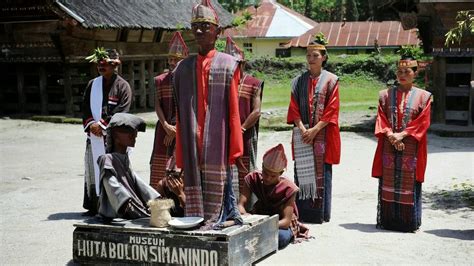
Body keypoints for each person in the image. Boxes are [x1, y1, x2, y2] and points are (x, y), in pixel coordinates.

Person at [173, 0, 244, 228]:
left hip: (217, 138)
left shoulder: (227, 64)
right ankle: (196, 217)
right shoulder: (183, 68)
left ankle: (223, 218)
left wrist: (235, 144)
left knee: (220, 183)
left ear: (218, 31)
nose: (200, 30)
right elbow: (180, 112)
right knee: (194, 177)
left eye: (206, 25)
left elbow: (233, 110)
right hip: (193, 136)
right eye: (196, 26)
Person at [371, 56, 432, 232]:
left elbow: (423, 121)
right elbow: (381, 117)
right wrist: (391, 135)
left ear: (415, 73)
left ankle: (408, 221)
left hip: (412, 146)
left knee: (409, 181)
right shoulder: (385, 95)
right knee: (388, 181)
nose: (402, 75)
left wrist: (403, 135)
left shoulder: (424, 96)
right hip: (389, 143)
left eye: (407, 72)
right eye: (399, 71)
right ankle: (389, 220)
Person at [287, 34, 340, 223]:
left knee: (321, 171)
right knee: (301, 171)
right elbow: (293, 109)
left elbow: (332, 109)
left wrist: (315, 130)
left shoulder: (332, 81)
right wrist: (302, 129)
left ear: (324, 57)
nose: (311, 59)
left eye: (315, 55)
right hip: (303, 133)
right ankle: (304, 212)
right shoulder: (298, 81)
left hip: (322, 134)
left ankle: (320, 213)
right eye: (309, 55)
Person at [82, 48, 132, 216]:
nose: (101, 67)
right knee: (93, 170)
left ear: (114, 66)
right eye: (99, 64)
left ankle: (115, 207)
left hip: (113, 138)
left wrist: (102, 126)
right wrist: (91, 125)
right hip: (94, 135)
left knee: (114, 172)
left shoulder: (123, 87)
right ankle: (95, 205)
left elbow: (121, 112)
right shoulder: (92, 84)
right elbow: (85, 108)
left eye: (106, 64)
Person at [238, 144, 308, 249]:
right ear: (262, 167)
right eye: (265, 173)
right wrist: (245, 216)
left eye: (273, 176)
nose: (268, 178)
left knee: (281, 238)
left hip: (278, 224)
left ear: (281, 173)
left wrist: (263, 225)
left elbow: (285, 222)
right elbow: (241, 205)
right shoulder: (252, 178)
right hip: (258, 217)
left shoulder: (289, 188)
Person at [98, 113, 160, 220]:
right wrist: (127, 203)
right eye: (128, 132)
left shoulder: (125, 158)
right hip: (120, 210)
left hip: (134, 204)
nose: (134, 135)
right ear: (115, 135)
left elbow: (137, 182)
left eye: (134, 132)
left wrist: (155, 198)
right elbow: (113, 186)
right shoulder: (107, 159)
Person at [223, 37, 264, 199]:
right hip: (224, 136)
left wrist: (240, 129)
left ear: (242, 64)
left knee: (246, 168)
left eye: (235, 64)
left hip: (246, 134)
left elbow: (256, 111)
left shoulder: (253, 83)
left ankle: (247, 206)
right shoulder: (219, 84)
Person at [150, 32, 189, 190]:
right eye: (170, 59)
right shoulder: (160, 80)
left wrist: (176, 130)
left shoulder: (191, 82)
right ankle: (157, 203)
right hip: (163, 128)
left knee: (179, 166)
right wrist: (166, 125)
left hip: (183, 129)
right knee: (158, 165)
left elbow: (189, 108)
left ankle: (180, 202)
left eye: (176, 59)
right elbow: (157, 105)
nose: (173, 62)